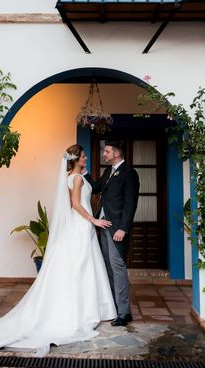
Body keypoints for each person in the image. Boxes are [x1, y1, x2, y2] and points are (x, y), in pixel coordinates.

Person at [0, 144, 116, 356]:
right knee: (81, 266)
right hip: (81, 224)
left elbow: (84, 191)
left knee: (82, 266)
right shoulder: (76, 179)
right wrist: (93, 220)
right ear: (76, 158)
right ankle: (83, 311)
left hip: (79, 226)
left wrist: (86, 176)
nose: (86, 158)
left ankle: (86, 308)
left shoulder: (74, 176)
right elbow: (76, 204)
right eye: (83, 156)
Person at [88, 140, 140, 327]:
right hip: (103, 225)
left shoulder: (129, 173)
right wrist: (81, 171)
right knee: (108, 267)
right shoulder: (108, 171)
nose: (104, 154)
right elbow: (95, 188)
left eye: (107, 151)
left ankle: (124, 313)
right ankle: (113, 307)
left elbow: (130, 203)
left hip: (117, 227)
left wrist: (123, 228)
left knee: (118, 268)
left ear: (116, 153)